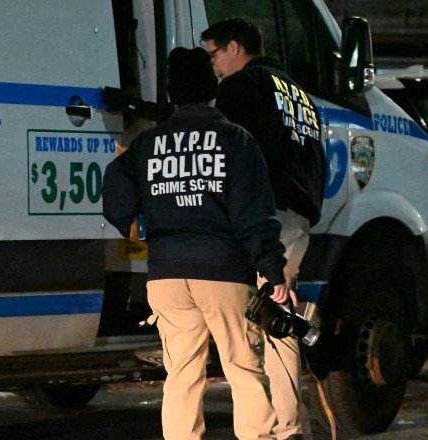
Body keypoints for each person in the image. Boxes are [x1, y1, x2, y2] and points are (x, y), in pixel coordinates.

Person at [103, 46, 291, 440]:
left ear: (173, 92)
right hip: (224, 273)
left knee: (182, 375)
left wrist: (133, 224)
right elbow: (253, 215)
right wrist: (274, 271)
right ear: (212, 88)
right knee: (245, 372)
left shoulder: (148, 143)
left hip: (166, 276)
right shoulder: (236, 140)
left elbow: (116, 196)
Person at [201, 17, 326, 440]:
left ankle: (271, 429)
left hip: (262, 218)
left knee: (257, 326)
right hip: (297, 218)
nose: (213, 66)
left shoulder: (242, 86)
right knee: (278, 317)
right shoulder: (297, 93)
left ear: (235, 48)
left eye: (213, 53)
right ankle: (289, 425)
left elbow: (218, 142)